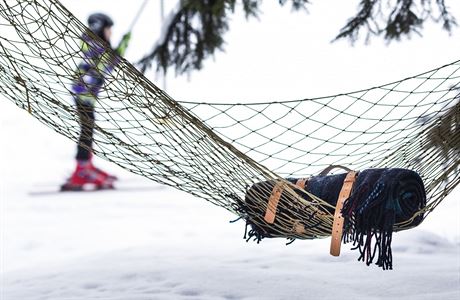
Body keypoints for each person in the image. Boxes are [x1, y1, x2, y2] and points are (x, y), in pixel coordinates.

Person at [61, 13, 131, 191]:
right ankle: (82, 169)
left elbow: (107, 62)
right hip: (83, 93)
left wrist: (120, 48)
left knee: (88, 128)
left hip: (86, 94)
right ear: (99, 29)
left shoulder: (96, 45)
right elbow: (106, 65)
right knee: (87, 129)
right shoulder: (95, 46)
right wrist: (121, 48)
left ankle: (86, 165)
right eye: (108, 30)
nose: (110, 34)